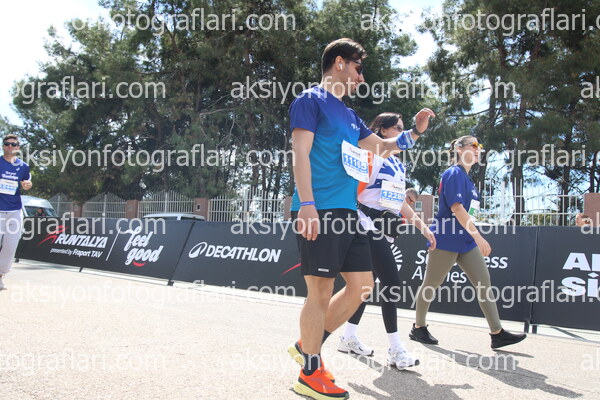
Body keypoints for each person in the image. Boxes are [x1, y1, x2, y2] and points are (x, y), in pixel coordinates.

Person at [287, 38, 434, 400]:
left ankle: (307, 344)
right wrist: (307, 204)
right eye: (358, 68)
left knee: (362, 286)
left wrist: (414, 133)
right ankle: (310, 372)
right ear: (339, 63)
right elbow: (300, 153)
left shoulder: (350, 116)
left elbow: (381, 147)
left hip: (347, 213)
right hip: (318, 209)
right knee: (320, 291)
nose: (361, 77)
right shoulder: (309, 100)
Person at [337, 112, 436, 370]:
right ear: (382, 130)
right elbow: (352, 189)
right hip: (365, 225)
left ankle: (348, 337)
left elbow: (400, 203)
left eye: (403, 128)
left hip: (383, 230)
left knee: (364, 287)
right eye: (398, 128)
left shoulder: (398, 166)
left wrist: (423, 228)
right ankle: (395, 349)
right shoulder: (372, 154)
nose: (402, 132)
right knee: (391, 283)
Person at [410, 135, 526, 349]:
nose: (478, 149)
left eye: (479, 146)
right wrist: (478, 236)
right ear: (459, 149)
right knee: (431, 284)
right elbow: (456, 208)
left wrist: (473, 236)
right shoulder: (453, 173)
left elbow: (468, 212)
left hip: (465, 240)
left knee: (484, 283)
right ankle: (418, 327)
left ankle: (497, 333)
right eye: (473, 145)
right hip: (446, 238)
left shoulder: (468, 179)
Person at [0, 134, 32, 290]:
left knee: (10, 245)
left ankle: (1, 275)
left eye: (13, 144)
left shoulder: (23, 166)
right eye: (7, 143)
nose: (10, 146)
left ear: (18, 147)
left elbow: (27, 181)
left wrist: (27, 185)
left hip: (14, 211)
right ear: (3, 146)